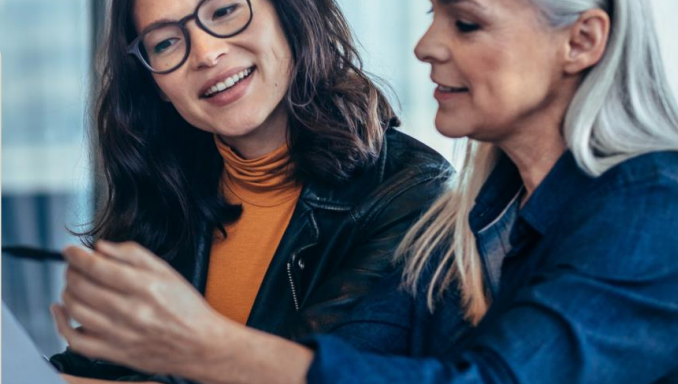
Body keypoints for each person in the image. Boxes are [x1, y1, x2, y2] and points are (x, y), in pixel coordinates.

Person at [53, 0, 678, 383]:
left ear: (583, 41)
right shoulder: (478, 216)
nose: (426, 44)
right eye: (165, 42)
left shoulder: (654, 204)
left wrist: (200, 346)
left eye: (465, 21)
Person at [48, 0, 450, 382]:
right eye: (166, 42)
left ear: (289, 14)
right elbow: (94, 365)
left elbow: (304, 376)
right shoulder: (167, 192)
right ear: (154, 83)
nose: (206, 54)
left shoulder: (413, 194)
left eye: (223, 11)